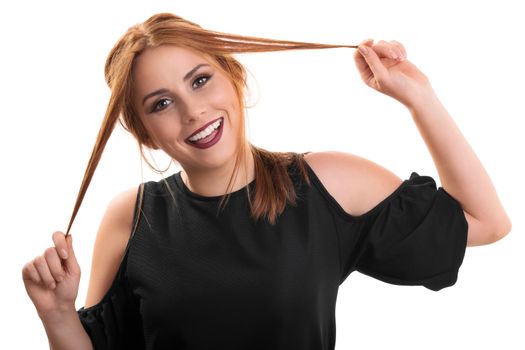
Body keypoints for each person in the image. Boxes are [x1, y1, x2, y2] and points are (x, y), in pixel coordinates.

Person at [22, 12, 511, 350]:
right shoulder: (130, 217)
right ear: (145, 133)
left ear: (233, 76)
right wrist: (57, 313)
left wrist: (418, 98)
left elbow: (485, 222)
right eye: (161, 103)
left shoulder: (326, 183)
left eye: (199, 80)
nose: (194, 112)